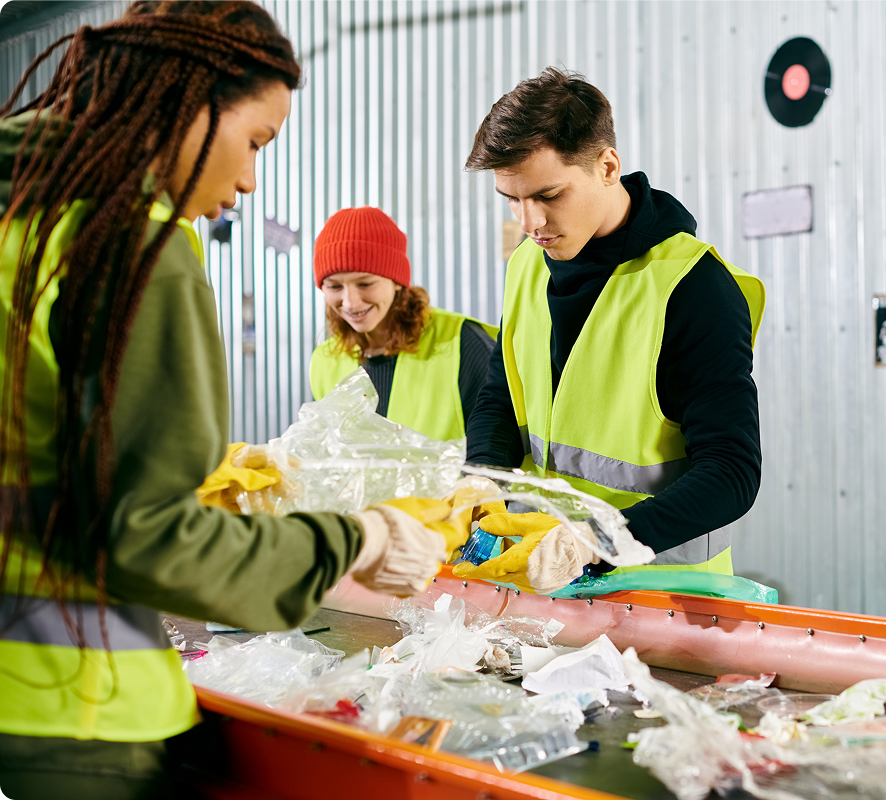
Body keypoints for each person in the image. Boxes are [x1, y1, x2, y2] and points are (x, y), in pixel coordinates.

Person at [0, 3, 445, 797]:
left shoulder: (19, 218)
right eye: (255, 142)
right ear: (189, 102)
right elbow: (151, 538)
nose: (245, 184)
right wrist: (358, 539)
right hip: (63, 708)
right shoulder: (129, 241)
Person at [463, 67, 766, 579]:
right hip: (549, 587)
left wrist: (600, 539)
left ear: (607, 166)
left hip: (666, 602)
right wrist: (483, 478)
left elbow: (731, 473)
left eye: (548, 195)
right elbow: (501, 392)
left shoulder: (693, 287)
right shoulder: (526, 265)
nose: (528, 222)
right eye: (512, 199)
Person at [308, 206, 498, 441]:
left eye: (365, 284)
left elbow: (498, 446)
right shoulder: (325, 360)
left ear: (397, 280)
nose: (350, 302)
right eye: (335, 286)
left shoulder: (462, 344)